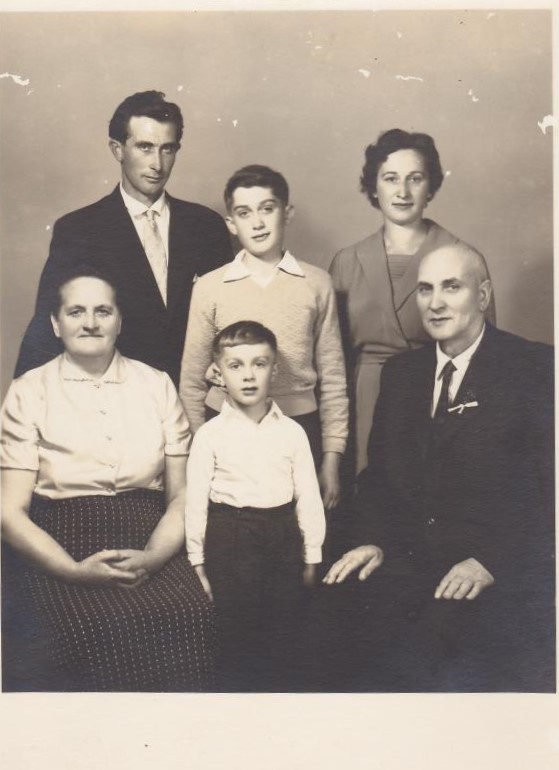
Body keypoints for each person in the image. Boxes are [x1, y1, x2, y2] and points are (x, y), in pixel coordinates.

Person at [322, 243, 554, 692]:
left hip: (492, 569)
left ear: (482, 295)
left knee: (441, 657)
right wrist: (372, 540)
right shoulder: (401, 373)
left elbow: (549, 494)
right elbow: (378, 479)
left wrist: (491, 561)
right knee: (331, 620)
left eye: (452, 287)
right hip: (408, 561)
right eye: (425, 289)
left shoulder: (535, 368)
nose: (436, 303)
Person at [1, 268, 215, 692]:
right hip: (60, 543)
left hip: (152, 537)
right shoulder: (29, 390)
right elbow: (9, 513)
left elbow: (182, 496)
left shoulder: (156, 384)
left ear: (119, 321)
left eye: (103, 311)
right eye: (75, 311)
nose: (90, 323)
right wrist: (72, 571)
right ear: (56, 324)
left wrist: (153, 557)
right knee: (77, 628)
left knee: (192, 613)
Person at [15, 90, 232, 388]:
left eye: (167, 149)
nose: (157, 164)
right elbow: (46, 327)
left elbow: (232, 323)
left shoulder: (206, 226)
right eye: (145, 147)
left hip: (198, 396)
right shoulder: (78, 230)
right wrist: (25, 403)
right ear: (117, 149)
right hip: (115, 399)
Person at [179, 164, 348, 511]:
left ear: (287, 213)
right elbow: (192, 383)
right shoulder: (210, 287)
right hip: (226, 428)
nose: (257, 223)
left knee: (297, 529)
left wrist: (331, 459)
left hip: (298, 426)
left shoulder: (317, 284)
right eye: (244, 213)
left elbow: (333, 379)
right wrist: (199, 452)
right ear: (231, 223)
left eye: (267, 209)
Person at [329, 129, 496, 475]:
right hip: (366, 401)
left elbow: (487, 356)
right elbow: (332, 360)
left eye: (415, 179)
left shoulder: (463, 257)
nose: (402, 192)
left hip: (440, 395)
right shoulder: (346, 262)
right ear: (373, 187)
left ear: (430, 187)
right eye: (390, 178)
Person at [185, 321, 326, 691]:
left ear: (274, 370)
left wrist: (311, 556)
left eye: (259, 364)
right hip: (230, 536)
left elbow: (308, 497)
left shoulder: (292, 432)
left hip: (282, 536)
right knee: (236, 634)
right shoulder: (210, 435)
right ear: (219, 374)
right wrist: (198, 562)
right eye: (236, 366)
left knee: (284, 631)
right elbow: (195, 502)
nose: (248, 376)